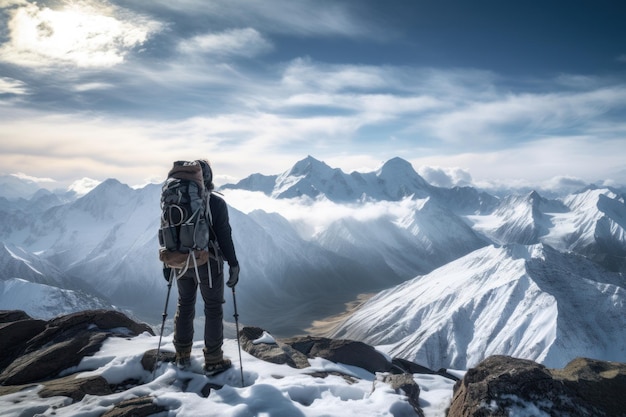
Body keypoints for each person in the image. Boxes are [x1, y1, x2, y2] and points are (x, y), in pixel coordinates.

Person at [169, 159, 240, 375]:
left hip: (180, 261)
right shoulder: (216, 204)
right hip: (207, 262)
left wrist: (168, 264)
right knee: (212, 307)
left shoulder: (174, 201)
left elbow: (168, 234)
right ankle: (214, 359)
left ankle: (182, 354)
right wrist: (233, 264)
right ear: (207, 178)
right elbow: (224, 235)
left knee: (185, 303)